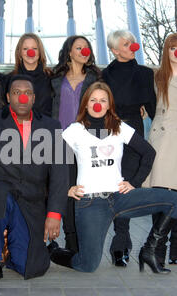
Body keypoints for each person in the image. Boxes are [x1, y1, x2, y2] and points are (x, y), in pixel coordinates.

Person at [48, 81, 177, 274]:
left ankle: (149, 250)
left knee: (174, 200)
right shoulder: (75, 130)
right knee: (88, 265)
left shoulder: (119, 127)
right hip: (90, 202)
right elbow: (55, 158)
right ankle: (54, 251)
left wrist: (134, 183)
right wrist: (68, 187)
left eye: (103, 100)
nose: (98, 104)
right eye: (93, 100)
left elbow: (149, 153)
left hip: (119, 197)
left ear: (109, 104)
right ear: (86, 104)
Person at [0, 74, 69, 282]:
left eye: (27, 93)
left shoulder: (51, 126)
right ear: (8, 97)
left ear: (34, 98)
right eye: (17, 93)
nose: (22, 97)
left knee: (31, 266)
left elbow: (59, 172)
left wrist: (54, 213)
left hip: (30, 200)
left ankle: (7, 248)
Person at [102, 30, 156, 267]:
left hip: (133, 132)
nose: (132, 46)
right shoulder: (104, 75)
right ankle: (121, 242)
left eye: (132, 42)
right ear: (115, 50)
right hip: (111, 131)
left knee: (128, 186)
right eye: (126, 43)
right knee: (115, 185)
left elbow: (153, 107)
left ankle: (121, 243)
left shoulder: (145, 74)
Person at [143, 33, 177, 268]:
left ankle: (176, 248)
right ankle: (157, 250)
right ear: (167, 50)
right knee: (159, 192)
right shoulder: (156, 76)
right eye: (173, 48)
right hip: (160, 135)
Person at [51, 35, 102, 253]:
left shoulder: (96, 79)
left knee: (83, 192)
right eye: (78, 47)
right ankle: (70, 240)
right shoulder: (54, 79)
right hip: (60, 143)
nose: (84, 51)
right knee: (65, 191)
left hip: (85, 143)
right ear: (69, 52)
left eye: (87, 47)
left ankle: (82, 242)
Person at [4, 33, 53, 116]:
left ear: (40, 51)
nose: (30, 52)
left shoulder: (51, 77)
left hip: (46, 126)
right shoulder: (9, 79)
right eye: (25, 49)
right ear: (19, 52)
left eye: (34, 48)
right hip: (17, 127)